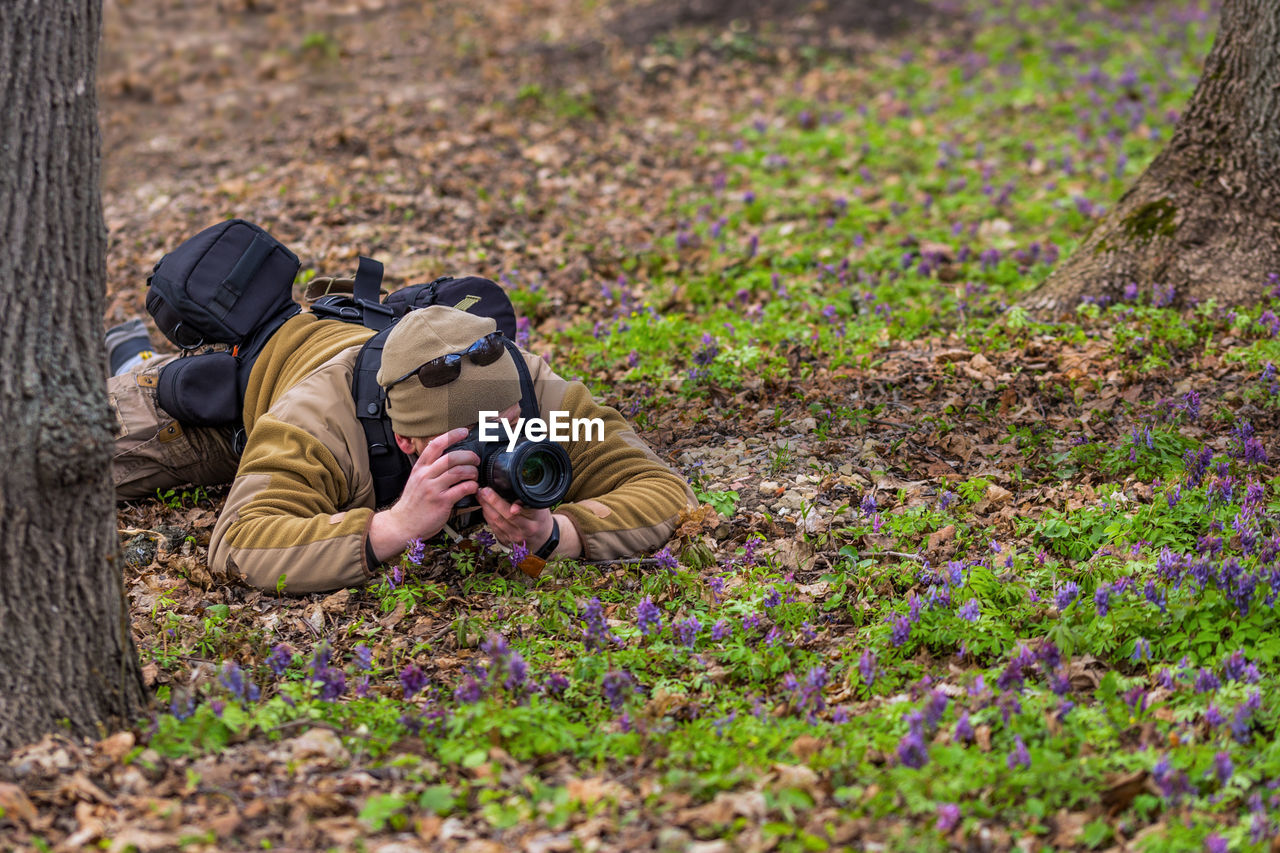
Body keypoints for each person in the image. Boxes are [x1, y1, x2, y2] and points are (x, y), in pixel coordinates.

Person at [107, 303, 696, 594]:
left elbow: (661, 489)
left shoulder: (542, 397)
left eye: (507, 431)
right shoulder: (318, 428)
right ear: (407, 439)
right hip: (240, 394)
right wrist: (392, 528)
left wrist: (553, 536)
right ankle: (140, 361)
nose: (499, 450)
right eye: (462, 445)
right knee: (62, 449)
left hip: (373, 342)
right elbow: (241, 538)